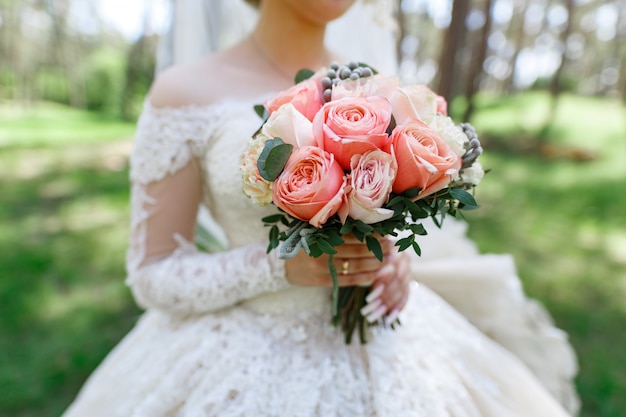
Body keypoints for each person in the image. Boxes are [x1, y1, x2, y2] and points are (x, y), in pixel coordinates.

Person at [62, 0, 579, 415]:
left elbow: (382, 207)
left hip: (388, 344)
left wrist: (394, 261)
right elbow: (152, 274)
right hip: (246, 353)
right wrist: (275, 269)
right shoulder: (184, 94)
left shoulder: (374, 88)